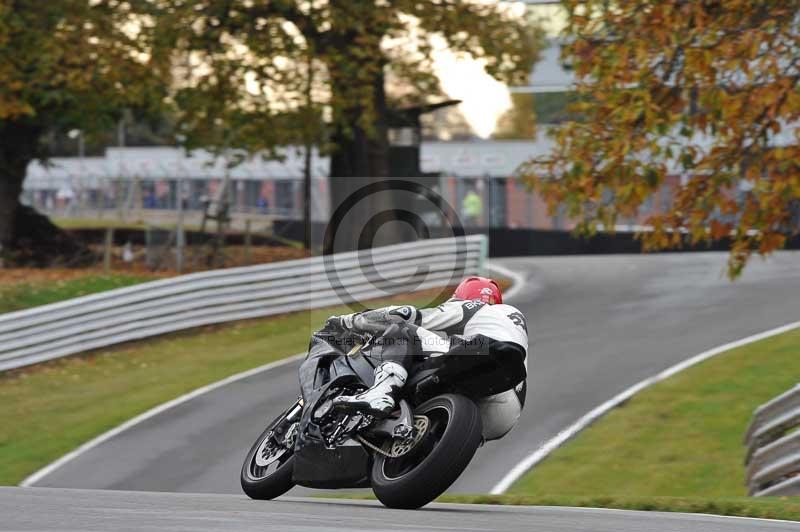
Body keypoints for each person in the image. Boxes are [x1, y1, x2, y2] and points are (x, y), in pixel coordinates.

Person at [327, 276, 529, 440]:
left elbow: (407, 314)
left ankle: (382, 392)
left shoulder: (472, 307)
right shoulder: (507, 320)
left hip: (483, 350)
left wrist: (350, 322)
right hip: (507, 410)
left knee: (402, 330)